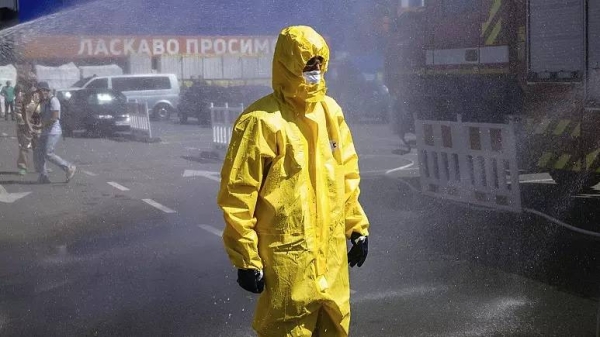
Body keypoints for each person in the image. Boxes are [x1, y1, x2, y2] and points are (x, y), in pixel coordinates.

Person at [217, 26, 370, 337]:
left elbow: (346, 174)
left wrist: (356, 226)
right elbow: (238, 194)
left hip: (331, 259)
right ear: (286, 65)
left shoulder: (330, 111)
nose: (314, 71)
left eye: (318, 63)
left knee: (334, 328)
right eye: (306, 64)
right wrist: (246, 258)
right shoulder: (261, 121)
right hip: (288, 261)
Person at [34, 81, 76, 184]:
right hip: (44, 131)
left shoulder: (54, 100)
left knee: (48, 153)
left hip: (53, 131)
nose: (38, 94)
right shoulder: (43, 102)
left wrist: (41, 126)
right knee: (38, 153)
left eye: (39, 92)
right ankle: (43, 176)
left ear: (45, 91)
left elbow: (54, 117)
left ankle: (68, 167)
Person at [15, 85, 43, 175]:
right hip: (24, 125)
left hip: (36, 124)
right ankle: (23, 166)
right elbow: (18, 111)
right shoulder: (21, 95)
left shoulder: (38, 95)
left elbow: (42, 108)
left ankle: (40, 166)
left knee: (38, 147)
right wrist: (24, 124)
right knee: (24, 146)